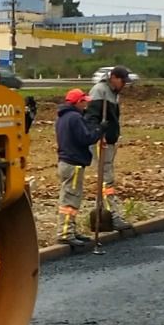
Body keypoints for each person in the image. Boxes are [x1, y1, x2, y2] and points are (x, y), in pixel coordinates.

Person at [87, 66, 134, 231]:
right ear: (113, 77)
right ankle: (112, 216)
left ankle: (107, 215)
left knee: (108, 178)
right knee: (106, 179)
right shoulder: (100, 91)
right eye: (122, 81)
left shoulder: (113, 93)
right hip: (102, 143)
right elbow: (91, 118)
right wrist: (99, 135)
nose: (124, 85)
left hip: (109, 142)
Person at [54, 88, 101, 249]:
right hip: (73, 163)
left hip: (65, 162)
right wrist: (99, 130)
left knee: (69, 197)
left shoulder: (62, 118)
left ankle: (70, 230)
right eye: (84, 102)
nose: (86, 106)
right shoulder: (74, 118)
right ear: (78, 102)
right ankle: (66, 233)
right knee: (70, 200)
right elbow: (85, 138)